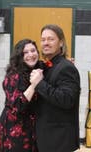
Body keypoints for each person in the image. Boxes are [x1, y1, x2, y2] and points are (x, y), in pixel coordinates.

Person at [31, 24, 81, 152]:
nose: (46, 43)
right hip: (47, 138)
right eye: (43, 40)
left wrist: (40, 84)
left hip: (58, 140)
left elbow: (67, 100)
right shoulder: (49, 65)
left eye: (51, 39)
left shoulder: (66, 68)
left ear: (61, 43)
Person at [0, 39, 43, 152]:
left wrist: (66, 62)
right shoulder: (13, 76)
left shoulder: (36, 69)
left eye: (33, 50)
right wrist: (34, 84)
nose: (31, 55)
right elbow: (18, 106)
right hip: (13, 128)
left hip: (30, 128)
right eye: (25, 52)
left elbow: (52, 67)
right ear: (19, 56)